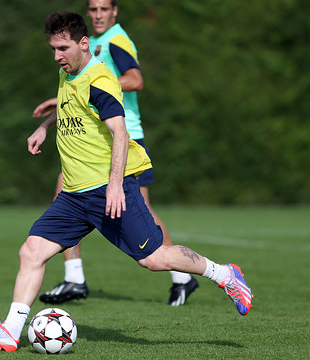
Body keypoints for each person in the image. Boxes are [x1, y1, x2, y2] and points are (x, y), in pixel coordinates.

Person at [0, 11, 252, 353]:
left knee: (155, 259)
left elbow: (119, 132)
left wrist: (115, 185)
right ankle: (10, 331)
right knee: (31, 251)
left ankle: (225, 274)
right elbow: (73, 107)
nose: (57, 55)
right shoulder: (67, 73)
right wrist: (44, 127)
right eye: (53, 48)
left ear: (83, 44)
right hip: (73, 196)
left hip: (107, 190)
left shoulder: (100, 79)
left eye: (63, 47)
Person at [33, 0, 199, 307]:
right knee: (66, 189)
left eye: (103, 9)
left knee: (142, 213)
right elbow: (81, 94)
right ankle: (76, 277)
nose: (97, 15)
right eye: (92, 9)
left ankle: (180, 272)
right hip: (98, 135)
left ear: (115, 11)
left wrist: (98, 88)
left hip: (123, 135)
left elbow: (135, 80)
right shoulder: (90, 44)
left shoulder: (116, 40)